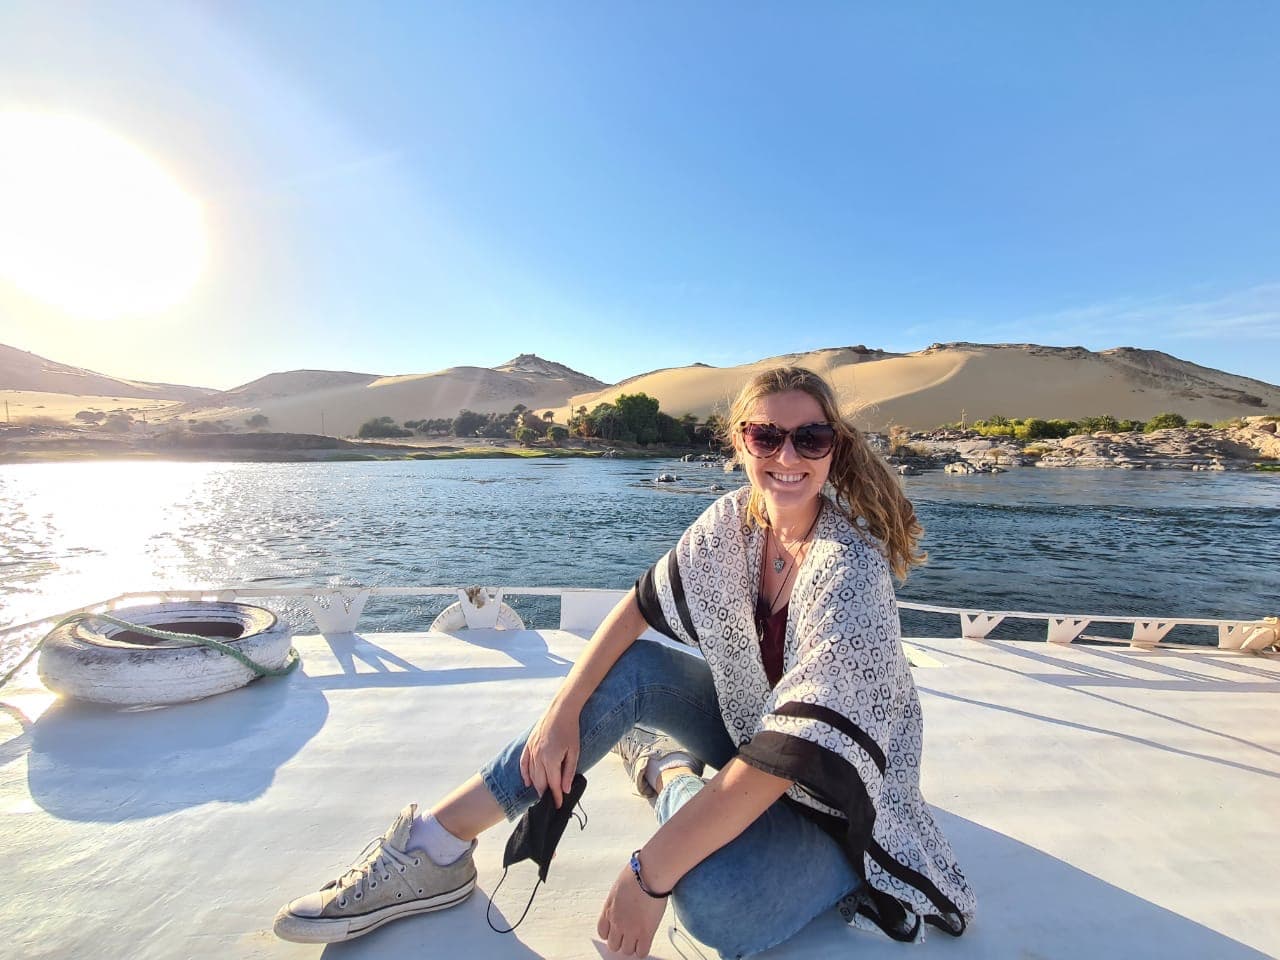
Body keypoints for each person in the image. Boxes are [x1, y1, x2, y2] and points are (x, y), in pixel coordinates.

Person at [273, 366, 975, 957]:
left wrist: (646, 874)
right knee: (632, 670)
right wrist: (561, 713)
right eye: (767, 436)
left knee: (711, 904)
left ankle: (666, 771)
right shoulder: (733, 522)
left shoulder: (848, 572)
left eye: (809, 438)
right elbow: (638, 607)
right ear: (741, 441)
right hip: (748, 727)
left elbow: (791, 757)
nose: (787, 457)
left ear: (834, 447)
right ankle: (435, 845)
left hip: (839, 801)